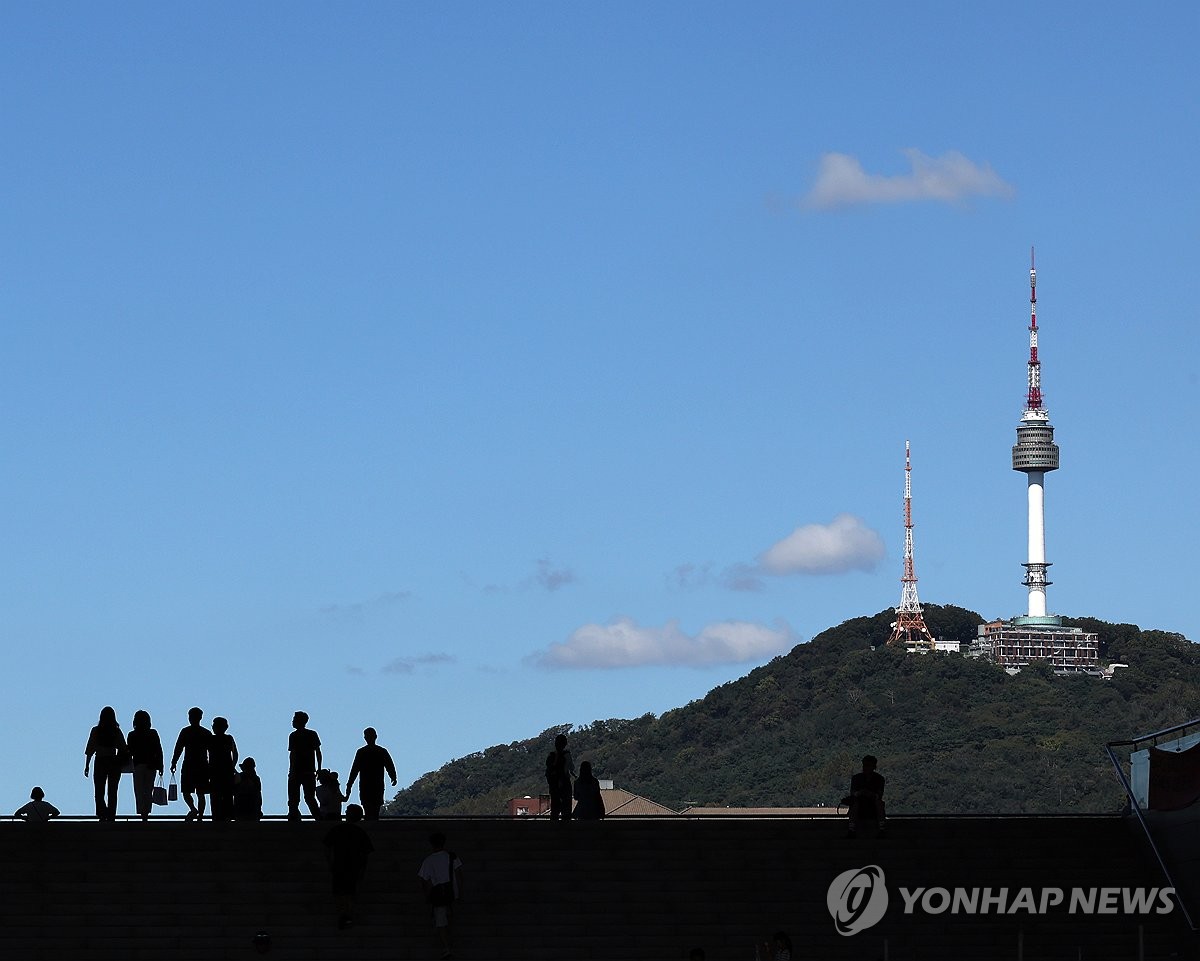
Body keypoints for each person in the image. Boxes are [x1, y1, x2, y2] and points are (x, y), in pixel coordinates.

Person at [323, 803, 374, 929]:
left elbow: (326, 847)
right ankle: (348, 914)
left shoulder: (337, 829)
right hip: (353, 867)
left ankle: (343, 914)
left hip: (339, 866)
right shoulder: (360, 832)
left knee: (339, 893)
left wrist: (330, 862)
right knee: (350, 893)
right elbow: (366, 853)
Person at [417, 831, 463, 960]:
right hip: (452, 892)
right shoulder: (452, 856)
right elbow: (459, 875)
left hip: (439, 894)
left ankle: (446, 947)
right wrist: (459, 892)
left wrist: (427, 896)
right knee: (450, 918)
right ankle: (451, 941)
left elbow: (424, 880)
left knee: (441, 921)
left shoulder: (428, 860)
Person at [344, 727, 397, 820]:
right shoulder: (380, 751)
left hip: (368, 784)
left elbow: (354, 770)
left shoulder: (363, 752)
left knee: (370, 807)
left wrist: (349, 784)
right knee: (373, 807)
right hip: (374, 784)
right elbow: (389, 765)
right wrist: (393, 776)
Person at [84, 706, 127, 820]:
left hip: (100, 761)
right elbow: (123, 747)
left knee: (99, 790)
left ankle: (102, 814)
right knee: (112, 791)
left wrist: (87, 765)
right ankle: (111, 815)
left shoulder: (96, 730)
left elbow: (90, 749)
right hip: (113, 761)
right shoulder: (116, 731)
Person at [170, 707, 212, 822]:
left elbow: (178, 748)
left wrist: (174, 762)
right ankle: (199, 814)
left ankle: (195, 811)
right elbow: (212, 752)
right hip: (201, 765)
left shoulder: (186, 732)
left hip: (191, 764)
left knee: (190, 791)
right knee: (199, 792)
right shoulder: (206, 733)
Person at [127, 710, 164, 821]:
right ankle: (146, 812)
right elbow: (158, 750)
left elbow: (130, 750)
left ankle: (142, 811)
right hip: (151, 765)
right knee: (148, 789)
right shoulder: (153, 733)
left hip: (137, 765)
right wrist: (160, 765)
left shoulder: (132, 735)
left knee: (139, 790)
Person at [287, 710, 322, 820]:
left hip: (299, 772)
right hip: (307, 771)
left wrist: (292, 770)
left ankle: (295, 818)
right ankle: (317, 818)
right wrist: (319, 768)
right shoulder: (310, 734)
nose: (292, 721)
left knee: (295, 798)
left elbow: (293, 755)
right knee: (308, 798)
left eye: (294, 719)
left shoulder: (294, 736)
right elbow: (318, 752)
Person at [846, 754, 887, 838]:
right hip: (859, 805)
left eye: (868, 765)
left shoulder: (879, 779)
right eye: (865, 765)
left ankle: (882, 830)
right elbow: (853, 793)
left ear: (874, 767)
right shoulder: (856, 778)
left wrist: (868, 794)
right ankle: (851, 830)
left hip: (873, 806)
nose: (866, 768)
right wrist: (861, 793)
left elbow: (879, 796)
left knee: (879, 803)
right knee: (854, 803)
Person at [208, 716, 239, 822]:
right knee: (227, 795)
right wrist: (232, 766)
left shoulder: (211, 739)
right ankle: (228, 815)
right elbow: (235, 754)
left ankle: (216, 816)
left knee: (216, 795)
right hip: (226, 771)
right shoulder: (228, 738)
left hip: (215, 771)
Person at [548, 733, 576, 821]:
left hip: (554, 785)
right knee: (566, 810)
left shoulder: (551, 756)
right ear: (565, 744)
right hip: (565, 783)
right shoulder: (566, 755)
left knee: (554, 810)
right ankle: (567, 831)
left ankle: (553, 830)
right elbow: (571, 767)